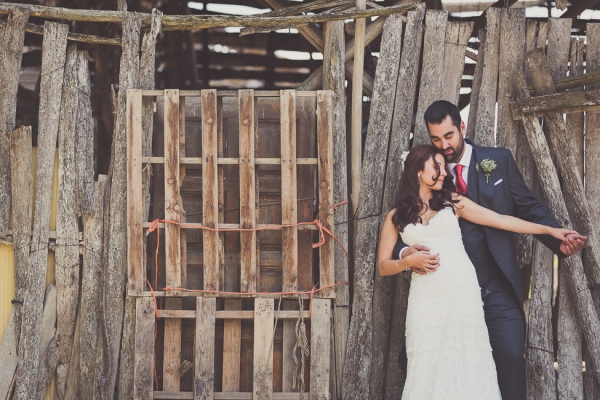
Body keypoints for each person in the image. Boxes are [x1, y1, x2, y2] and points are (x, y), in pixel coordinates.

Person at [388, 100, 586, 399]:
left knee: (508, 355)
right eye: (436, 139)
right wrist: (405, 255)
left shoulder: (498, 161)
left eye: (449, 136)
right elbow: (405, 222)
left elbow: (524, 208)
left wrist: (556, 238)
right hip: (444, 291)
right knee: (433, 365)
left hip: (496, 284)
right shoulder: (427, 170)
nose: (443, 145)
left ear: (462, 128)